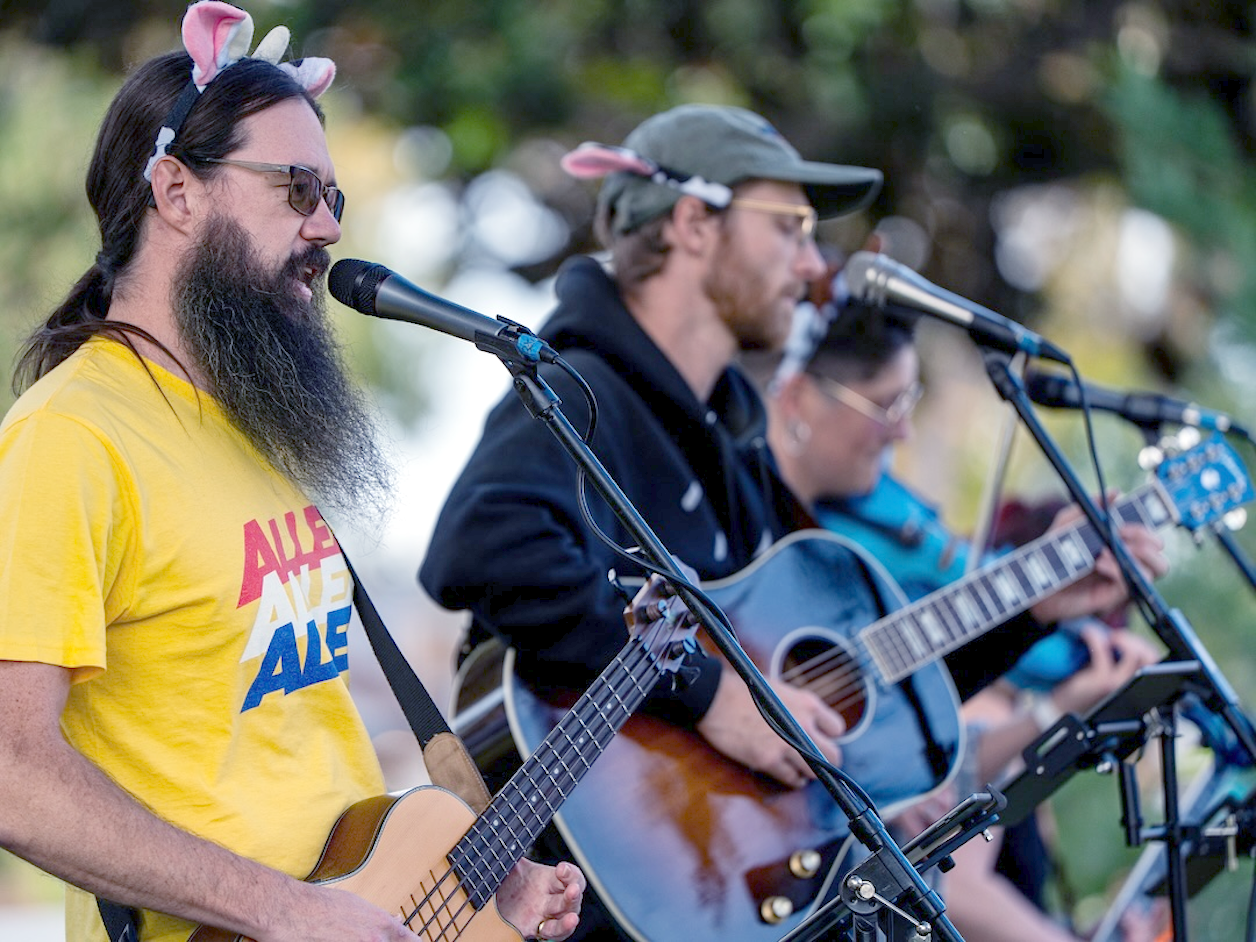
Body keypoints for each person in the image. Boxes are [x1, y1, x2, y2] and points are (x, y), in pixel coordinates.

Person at [419, 104, 1167, 940]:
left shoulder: (730, 446)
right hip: (590, 888)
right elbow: (479, 548)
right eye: (790, 227)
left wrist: (1034, 606)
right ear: (696, 223)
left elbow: (854, 688)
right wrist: (710, 695)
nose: (812, 263)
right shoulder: (583, 393)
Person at [0, 4, 584, 942]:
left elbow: (300, 760)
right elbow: (11, 772)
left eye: (336, 199)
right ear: (176, 191)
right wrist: (282, 910)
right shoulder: (71, 439)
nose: (325, 226)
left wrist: (461, 897)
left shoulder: (257, 427)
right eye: (296, 189)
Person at [761, 268, 1166, 941]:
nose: (902, 435)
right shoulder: (756, 534)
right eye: (884, 407)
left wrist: (1038, 604)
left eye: (908, 405)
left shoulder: (852, 560)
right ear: (801, 398)